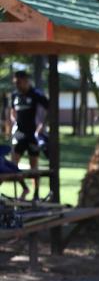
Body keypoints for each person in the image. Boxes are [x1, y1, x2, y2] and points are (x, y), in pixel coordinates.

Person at [9, 70, 49, 199]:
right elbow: (12, 111)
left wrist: (42, 125)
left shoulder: (36, 94)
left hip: (32, 134)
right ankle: (25, 188)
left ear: (26, 81)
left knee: (34, 166)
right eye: (15, 83)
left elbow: (49, 108)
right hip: (19, 133)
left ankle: (36, 194)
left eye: (19, 82)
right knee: (13, 164)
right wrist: (13, 120)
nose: (17, 85)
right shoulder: (15, 95)